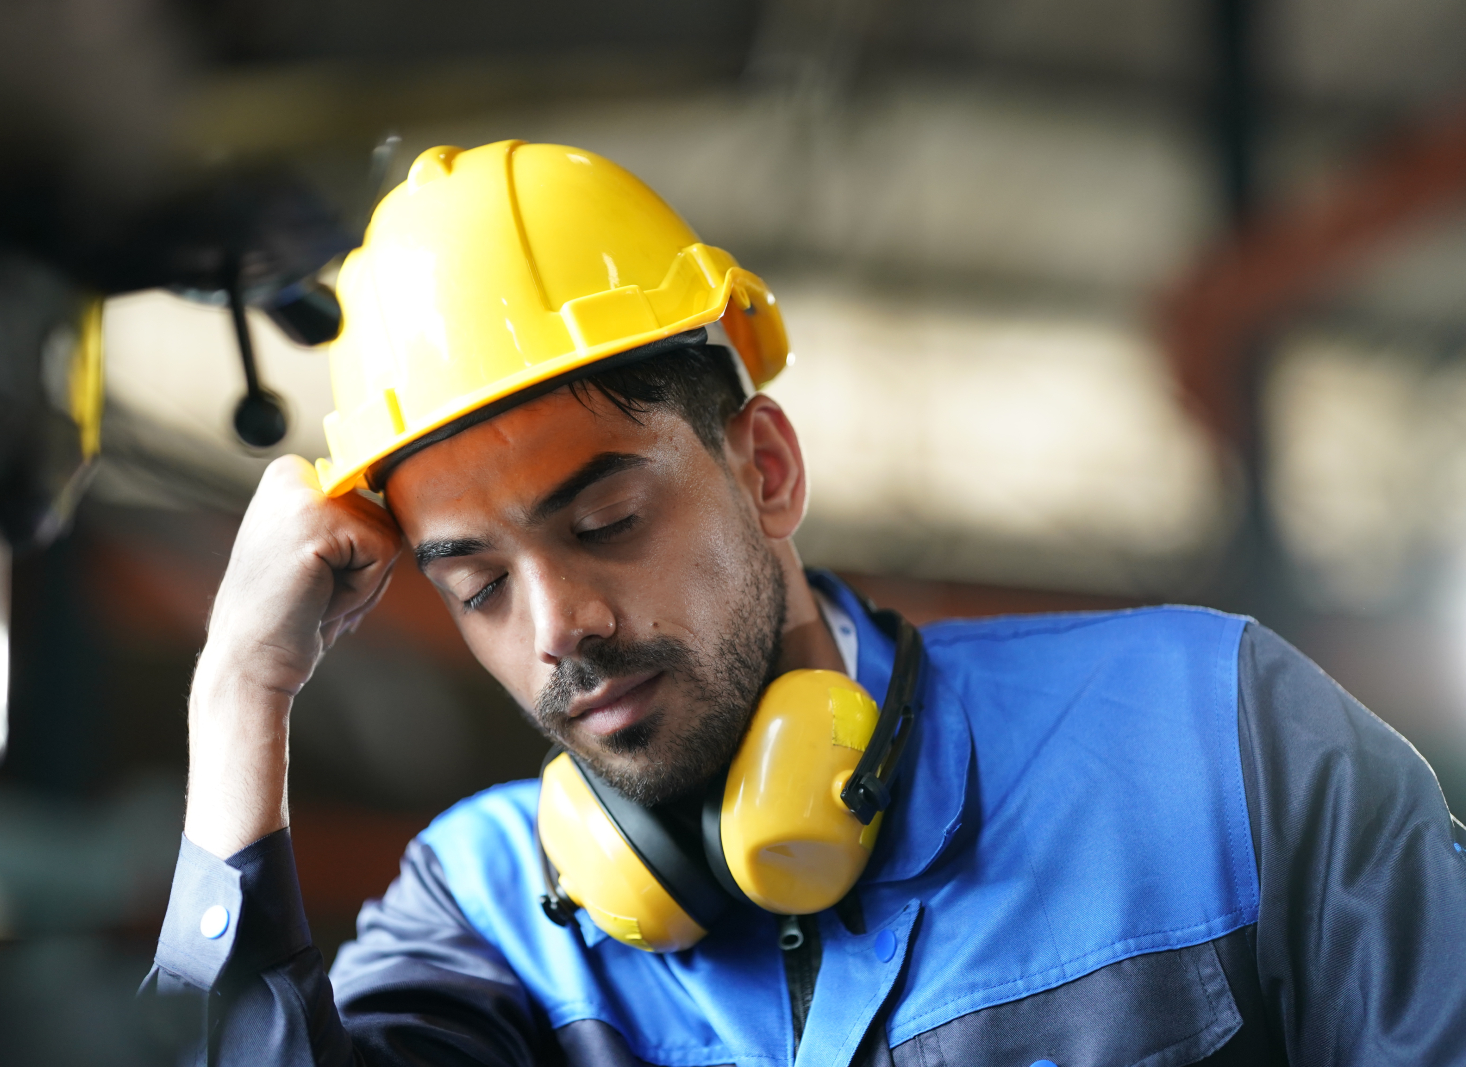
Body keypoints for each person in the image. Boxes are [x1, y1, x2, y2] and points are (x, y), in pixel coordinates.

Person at [144, 141, 1466, 1066]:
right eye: (477, 584)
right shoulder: (482, 925)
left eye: (606, 522)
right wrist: (236, 697)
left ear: (764, 469)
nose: (555, 628)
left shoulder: (1214, 738)